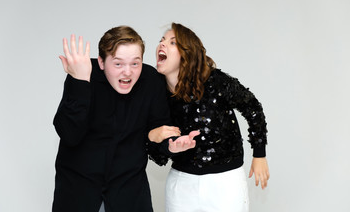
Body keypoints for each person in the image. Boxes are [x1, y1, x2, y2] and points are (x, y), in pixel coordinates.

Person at [52, 26, 198, 212]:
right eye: (118, 64)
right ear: (102, 62)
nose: (127, 72)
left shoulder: (151, 81)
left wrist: (170, 145)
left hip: (129, 194)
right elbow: (69, 134)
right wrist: (80, 81)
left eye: (135, 64)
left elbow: (157, 132)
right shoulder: (84, 73)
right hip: (79, 192)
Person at [149, 22, 270, 212]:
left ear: (187, 53)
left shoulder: (216, 82)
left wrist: (259, 154)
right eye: (161, 40)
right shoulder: (157, 94)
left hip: (226, 183)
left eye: (173, 43)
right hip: (182, 184)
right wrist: (163, 143)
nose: (162, 45)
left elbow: (252, 107)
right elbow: (159, 154)